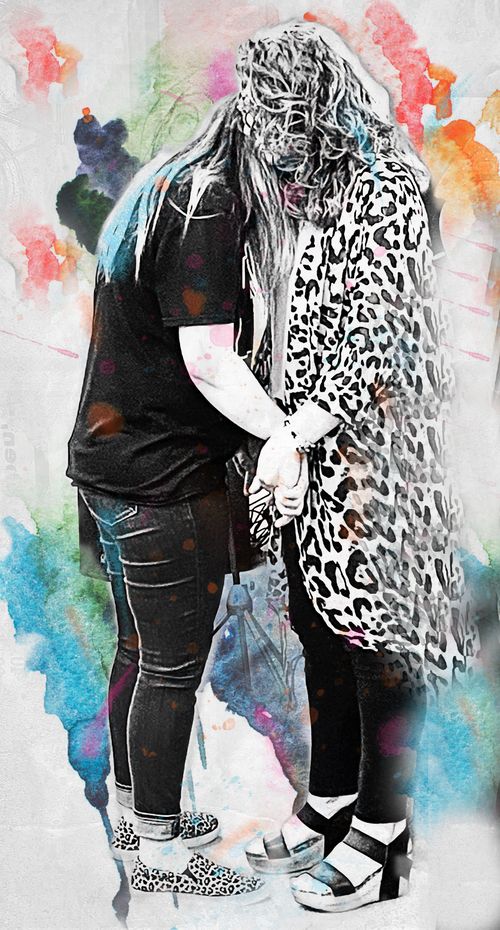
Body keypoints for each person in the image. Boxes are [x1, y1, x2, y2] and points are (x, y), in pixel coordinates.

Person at [237, 21, 473, 913]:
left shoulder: (385, 187)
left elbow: (378, 340)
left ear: (315, 105)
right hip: (322, 454)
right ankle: (331, 800)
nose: (269, 134)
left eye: (279, 113)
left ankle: (383, 833)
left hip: (379, 461)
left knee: (378, 647)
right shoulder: (330, 190)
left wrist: (293, 436)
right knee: (316, 624)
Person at [66, 94, 307, 898]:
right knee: (171, 667)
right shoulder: (212, 205)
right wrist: (281, 434)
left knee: (140, 651)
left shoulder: (171, 182)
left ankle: (139, 815)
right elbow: (208, 359)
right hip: (158, 475)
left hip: (114, 462)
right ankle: (162, 853)